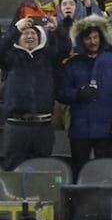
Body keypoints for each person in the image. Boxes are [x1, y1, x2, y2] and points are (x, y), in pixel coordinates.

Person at [58, 14, 112, 174]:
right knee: (79, 170)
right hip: (80, 129)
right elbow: (62, 92)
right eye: (88, 38)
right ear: (80, 40)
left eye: (95, 37)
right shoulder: (72, 64)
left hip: (106, 128)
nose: (92, 42)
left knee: (104, 170)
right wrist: (78, 93)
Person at [1, 15, 68, 168]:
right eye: (25, 33)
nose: (30, 36)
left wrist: (57, 29)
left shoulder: (48, 56)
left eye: (33, 33)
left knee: (42, 170)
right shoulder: (11, 58)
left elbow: (65, 49)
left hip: (42, 127)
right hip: (16, 126)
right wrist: (16, 29)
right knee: (12, 169)